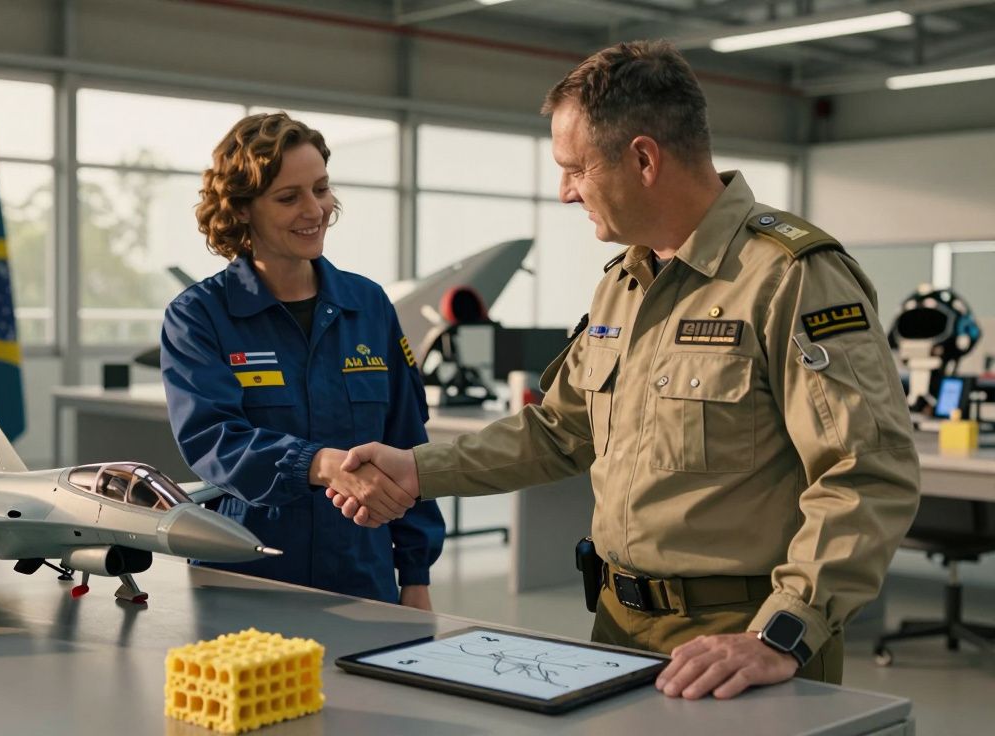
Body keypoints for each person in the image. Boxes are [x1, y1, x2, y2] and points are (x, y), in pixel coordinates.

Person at [326, 41, 920, 697]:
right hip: (616, 629)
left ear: (643, 158)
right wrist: (419, 468)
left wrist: (784, 631)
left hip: (739, 646)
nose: (563, 192)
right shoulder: (625, 283)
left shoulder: (790, 278)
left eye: (575, 169)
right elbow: (560, 429)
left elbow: (865, 472)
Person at [160, 112, 444, 609]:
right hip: (247, 573)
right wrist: (321, 464)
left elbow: (407, 443)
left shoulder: (369, 305)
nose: (315, 210)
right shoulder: (199, 316)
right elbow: (213, 440)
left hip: (362, 573)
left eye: (321, 189)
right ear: (243, 209)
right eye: (289, 198)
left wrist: (415, 575)